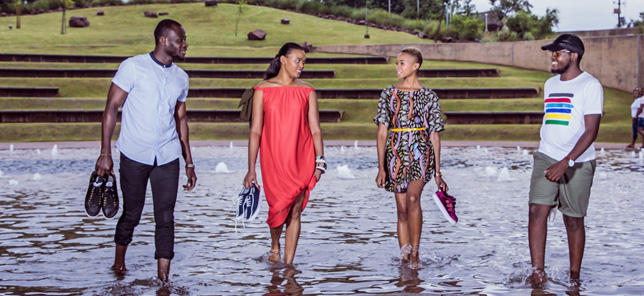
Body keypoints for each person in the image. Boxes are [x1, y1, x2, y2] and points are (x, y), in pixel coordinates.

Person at [94, 19, 197, 282]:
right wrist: (105, 153)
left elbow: (181, 119)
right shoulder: (133, 67)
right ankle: (118, 266)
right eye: (180, 40)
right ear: (164, 40)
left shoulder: (181, 77)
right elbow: (111, 107)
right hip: (134, 153)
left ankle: (163, 280)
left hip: (167, 155)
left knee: (166, 217)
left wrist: (189, 162)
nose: (185, 45)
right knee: (132, 214)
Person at [528, 34, 603, 285]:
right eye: (552, 53)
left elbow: (591, 131)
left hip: (578, 161)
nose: (553, 57)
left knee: (572, 220)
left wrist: (566, 162)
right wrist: (553, 158)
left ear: (574, 55)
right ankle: (538, 273)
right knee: (537, 210)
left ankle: (574, 277)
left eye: (557, 53)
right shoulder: (550, 84)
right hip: (546, 155)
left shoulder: (590, 85)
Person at [243, 42, 324, 266]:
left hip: (302, 159)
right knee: (277, 208)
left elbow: (316, 129)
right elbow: (255, 131)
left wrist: (320, 163)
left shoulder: (307, 90)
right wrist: (251, 169)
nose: (302, 65)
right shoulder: (262, 89)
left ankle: (288, 266)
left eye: (304, 62)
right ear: (283, 60)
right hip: (273, 161)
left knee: (295, 211)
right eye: (298, 60)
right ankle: (275, 245)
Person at [374, 47, 449, 269]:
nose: (398, 67)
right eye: (396, 63)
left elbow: (434, 135)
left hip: (420, 152)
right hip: (395, 154)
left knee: (413, 199)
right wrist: (381, 168)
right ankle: (404, 256)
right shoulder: (388, 93)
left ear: (416, 66)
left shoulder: (429, 95)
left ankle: (415, 254)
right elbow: (381, 132)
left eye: (402, 63)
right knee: (402, 210)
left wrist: (437, 172)